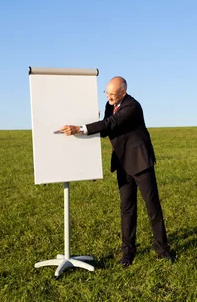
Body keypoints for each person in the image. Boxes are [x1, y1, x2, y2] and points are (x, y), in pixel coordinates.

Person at [59, 76, 173, 266]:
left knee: (152, 207)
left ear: (123, 92)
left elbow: (111, 123)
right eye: (107, 93)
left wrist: (80, 128)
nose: (109, 97)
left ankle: (162, 250)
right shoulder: (109, 104)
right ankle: (128, 254)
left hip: (140, 162)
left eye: (113, 94)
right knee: (127, 208)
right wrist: (91, 121)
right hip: (122, 162)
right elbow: (105, 129)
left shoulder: (132, 107)